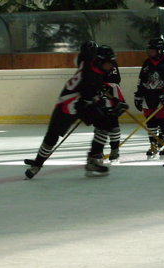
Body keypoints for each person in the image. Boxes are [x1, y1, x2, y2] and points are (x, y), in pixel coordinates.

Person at [25, 43, 128, 179]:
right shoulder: (91, 76)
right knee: (52, 136)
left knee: (105, 124)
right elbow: (91, 97)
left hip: (82, 102)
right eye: (109, 63)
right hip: (68, 105)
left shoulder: (89, 63)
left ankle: (93, 159)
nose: (112, 66)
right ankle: (37, 164)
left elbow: (83, 57)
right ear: (99, 61)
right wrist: (114, 105)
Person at [135, 38, 164, 159]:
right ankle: (153, 144)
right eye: (149, 50)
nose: (150, 52)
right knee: (151, 123)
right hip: (149, 96)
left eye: (152, 50)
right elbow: (141, 80)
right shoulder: (147, 62)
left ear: (159, 50)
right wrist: (139, 95)